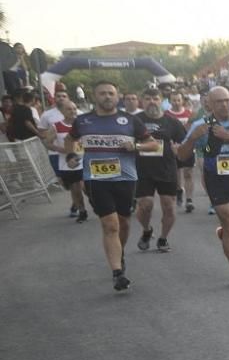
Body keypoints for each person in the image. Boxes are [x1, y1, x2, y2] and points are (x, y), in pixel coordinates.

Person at [63, 81, 157, 291]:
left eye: (111, 93)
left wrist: (136, 145)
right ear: (94, 96)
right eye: (103, 93)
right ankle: (117, 272)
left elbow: (153, 144)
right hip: (95, 179)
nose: (107, 97)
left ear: (118, 97)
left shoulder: (130, 121)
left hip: (125, 179)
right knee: (110, 225)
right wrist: (70, 155)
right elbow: (70, 139)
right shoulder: (83, 121)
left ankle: (119, 253)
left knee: (123, 222)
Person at [176, 86, 229, 289]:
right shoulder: (200, 124)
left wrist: (228, 136)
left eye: (226, 100)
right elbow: (181, 155)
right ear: (210, 104)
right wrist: (195, 137)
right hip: (216, 180)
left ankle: (224, 235)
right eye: (218, 102)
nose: (224, 105)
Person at [134, 88, 188, 253]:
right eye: (148, 98)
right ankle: (146, 230)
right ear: (142, 101)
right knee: (145, 205)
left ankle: (163, 238)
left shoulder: (172, 122)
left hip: (166, 169)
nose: (151, 101)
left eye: (155, 98)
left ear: (161, 101)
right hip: (142, 170)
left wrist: (179, 149)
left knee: (169, 207)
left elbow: (184, 145)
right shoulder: (135, 121)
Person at [44, 101, 87, 222]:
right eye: (69, 109)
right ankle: (82, 211)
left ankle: (80, 206)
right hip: (68, 163)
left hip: (85, 160)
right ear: (62, 112)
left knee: (86, 189)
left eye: (74, 109)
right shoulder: (56, 126)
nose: (72, 111)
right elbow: (48, 143)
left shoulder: (83, 125)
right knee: (76, 189)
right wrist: (63, 150)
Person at [166, 91, 195, 213]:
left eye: (178, 100)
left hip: (187, 147)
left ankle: (189, 200)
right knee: (176, 174)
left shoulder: (189, 113)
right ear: (169, 101)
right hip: (174, 149)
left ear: (182, 100)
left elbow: (194, 129)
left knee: (188, 173)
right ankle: (179, 190)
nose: (176, 102)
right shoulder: (166, 115)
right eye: (174, 100)